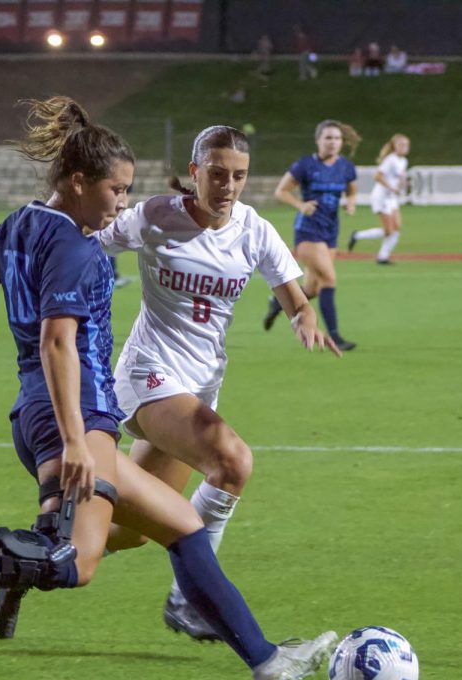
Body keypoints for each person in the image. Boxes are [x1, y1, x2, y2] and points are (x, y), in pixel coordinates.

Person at [0, 96, 338, 680]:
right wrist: (78, 439)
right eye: (117, 189)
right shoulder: (80, 249)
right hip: (77, 415)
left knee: (95, 551)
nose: (123, 204)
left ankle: (4, 573)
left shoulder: (18, 223)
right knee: (176, 527)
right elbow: (60, 341)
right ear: (80, 182)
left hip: (41, 410)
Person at [94, 125, 340, 640]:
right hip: (148, 376)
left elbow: (293, 296)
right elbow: (91, 244)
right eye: (218, 173)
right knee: (232, 461)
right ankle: (190, 600)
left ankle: (27, 557)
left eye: (239, 176)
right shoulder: (155, 216)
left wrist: (305, 320)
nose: (228, 185)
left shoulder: (253, 230)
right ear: (195, 172)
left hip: (198, 386)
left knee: (130, 531)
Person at [263, 120, 361, 350]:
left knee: (313, 289)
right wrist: (300, 205)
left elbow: (352, 192)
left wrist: (351, 204)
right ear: (318, 140)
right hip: (308, 230)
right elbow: (281, 191)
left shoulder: (346, 167)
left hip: (330, 230)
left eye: (337, 138)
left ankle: (277, 304)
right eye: (328, 138)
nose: (333, 142)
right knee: (329, 279)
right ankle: (335, 335)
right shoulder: (305, 165)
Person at [348, 134, 410, 265]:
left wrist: (403, 184)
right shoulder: (390, 160)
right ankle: (357, 235)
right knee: (388, 230)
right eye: (401, 145)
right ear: (394, 147)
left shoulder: (403, 161)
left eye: (406, 145)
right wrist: (391, 187)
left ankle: (383, 257)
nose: (404, 147)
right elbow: (377, 176)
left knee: (396, 227)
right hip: (381, 196)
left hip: (391, 197)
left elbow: (398, 180)